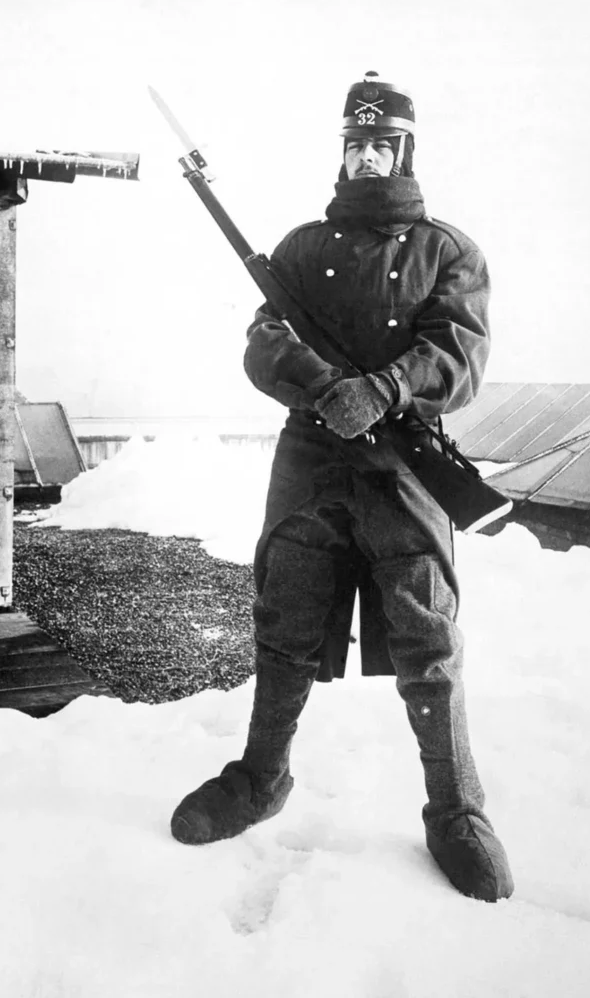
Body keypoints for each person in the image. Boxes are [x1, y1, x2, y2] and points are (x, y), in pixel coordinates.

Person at [170, 71, 514, 902]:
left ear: (404, 149)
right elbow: (262, 346)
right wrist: (325, 388)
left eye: (381, 144)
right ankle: (260, 778)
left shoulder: (449, 251)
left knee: (429, 644)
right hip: (310, 462)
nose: (366, 157)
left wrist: (387, 390)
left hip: (404, 466)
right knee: (282, 624)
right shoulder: (298, 250)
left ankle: (456, 812)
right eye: (354, 144)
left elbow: (459, 357)